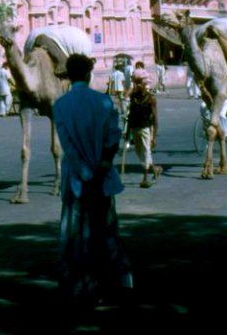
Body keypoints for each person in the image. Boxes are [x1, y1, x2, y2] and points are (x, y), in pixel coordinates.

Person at [53, 53, 133, 315]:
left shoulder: (61, 105)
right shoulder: (103, 101)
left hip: (77, 180)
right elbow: (113, 137)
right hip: (102, 177)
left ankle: (80, 288)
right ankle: (120, 286)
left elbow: (69, 146)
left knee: (76, 233)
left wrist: (86, 173)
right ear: (88, 75)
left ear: (69, 75)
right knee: (106, 230)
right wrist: (101, 168)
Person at [126, 67, 162, 188]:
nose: (136, 85)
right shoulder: (133, 96)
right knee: (139, 152)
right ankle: (155, 169)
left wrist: (155, 136)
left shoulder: (151, 98)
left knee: (146, 151)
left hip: (146, 128)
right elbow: (129, 114)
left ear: (144, 83)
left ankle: (145, 178)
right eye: (135, 82)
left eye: (139, 83)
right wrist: (127, 132)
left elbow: (155, 118)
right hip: (134, 128)